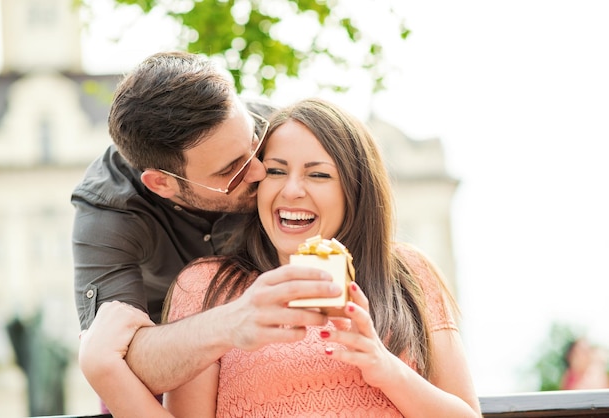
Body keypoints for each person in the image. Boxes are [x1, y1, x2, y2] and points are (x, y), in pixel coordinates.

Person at [80, 98, 482, 417]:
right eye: (275, 171)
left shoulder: (409, 273)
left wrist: (384, 367)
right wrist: (104, 369)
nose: (291, 191)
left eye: (318, 174)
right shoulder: (205, 286)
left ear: (355, 191)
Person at [72, 51, 343, 397]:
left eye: (254, 145)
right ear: (162, 184)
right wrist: (230, 321)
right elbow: (120, 363)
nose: (259, 171)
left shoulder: (276, 127)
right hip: (169, 376)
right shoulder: (107, 215)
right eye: (231, 171)